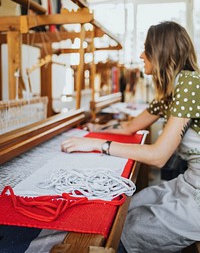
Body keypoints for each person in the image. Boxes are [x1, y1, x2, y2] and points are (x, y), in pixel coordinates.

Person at [61, 21, 200, 253]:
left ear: (161, 53)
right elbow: (130, 127)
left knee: (120, 234)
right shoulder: (171, 91)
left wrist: (98, 144)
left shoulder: (189, 84)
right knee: (122, 209)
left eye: (146, 49)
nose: (141, 55)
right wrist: (90, 128)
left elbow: (159, 156)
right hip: (189, 183)